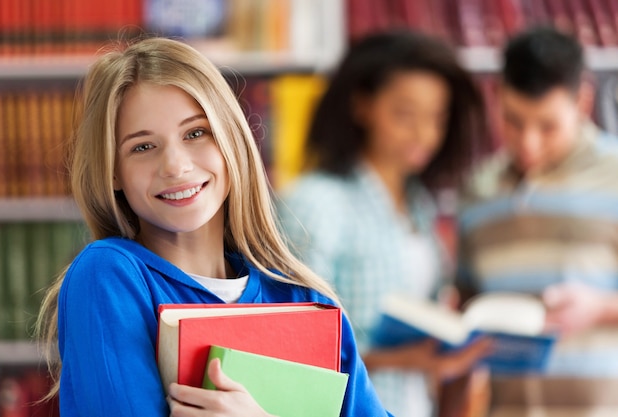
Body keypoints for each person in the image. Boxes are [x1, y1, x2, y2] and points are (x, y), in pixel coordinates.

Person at [34, 37, 392, 417]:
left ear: (231, 142)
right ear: (113, 173)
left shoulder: (306, 300)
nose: (174, 166)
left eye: (195, 133)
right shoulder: (109, 275)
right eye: (142, 147)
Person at [277, 30, 492, 417]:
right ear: (361, 105)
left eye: (437, 118)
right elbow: (290, 347)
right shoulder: (316, 203)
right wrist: (401, 358)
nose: (423, 134)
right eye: (405, 114)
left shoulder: (421, 208)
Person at [457, 26, 618, 414]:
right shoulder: (477, 190)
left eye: (548, 126)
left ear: (582, 101)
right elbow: (466, 306)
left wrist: (601, 308)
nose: (528, 142)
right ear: (496, 96)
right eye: (513, 121)